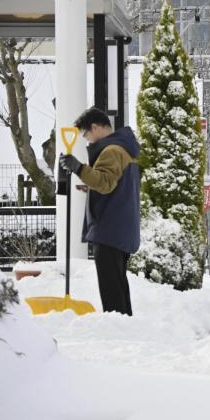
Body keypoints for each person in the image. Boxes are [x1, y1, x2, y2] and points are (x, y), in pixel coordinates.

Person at [60, 107, 140, 316]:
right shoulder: (122, 148)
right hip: (119, 228)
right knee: (118, 282)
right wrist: (89, 185)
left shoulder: (111, 150)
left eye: (86, 134)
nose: (87, 140)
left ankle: (118, 326)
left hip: (109, 230)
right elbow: (115, 185)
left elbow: (105, 183)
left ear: (94, 127)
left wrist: (78, 168)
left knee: (111, 287)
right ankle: (125, 322)